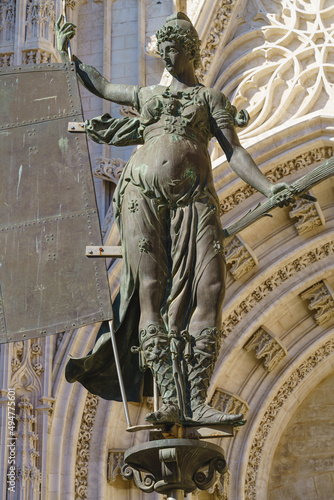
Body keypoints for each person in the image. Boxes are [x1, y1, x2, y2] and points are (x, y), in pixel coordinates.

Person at [57, 12, 292, 425]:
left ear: (191, 51)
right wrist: (69, 56)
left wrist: (269, 188)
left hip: (194, 197)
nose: (166, 57)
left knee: (211, 285)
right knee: (148, 288)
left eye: (173, 49)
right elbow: (106, 86)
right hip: (140, 194)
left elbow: (234, 153)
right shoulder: (148, 97)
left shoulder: (209, 100)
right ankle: (167, 394)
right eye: (161, 49)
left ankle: (194, 397)